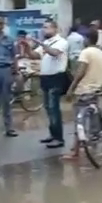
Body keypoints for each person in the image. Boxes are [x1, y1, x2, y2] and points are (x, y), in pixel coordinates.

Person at [22, 20, 69, 148]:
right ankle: (52, 134)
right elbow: (34, 55)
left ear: (55, 29)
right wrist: (27, 47)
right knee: (48, 107)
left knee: (54, 108)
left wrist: (40, 43)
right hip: (46, 78)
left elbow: (54, 53)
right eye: (43, 27)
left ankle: (59, 138)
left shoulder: (61, 42)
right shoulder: (46, 43)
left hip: (56, 77)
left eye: (47, 27)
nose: (44, 30)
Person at [63, 30, 102, 160]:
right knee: (93, 121)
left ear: (87, 39)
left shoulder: (86, 52)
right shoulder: (101, 53)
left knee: (79, 122)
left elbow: (80, 73)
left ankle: (75, 152)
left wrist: (71, 89)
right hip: (95, 90)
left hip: (83, 91)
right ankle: (94, 147)